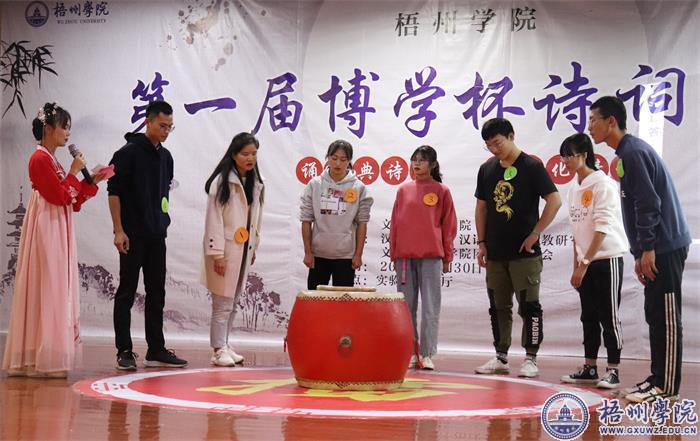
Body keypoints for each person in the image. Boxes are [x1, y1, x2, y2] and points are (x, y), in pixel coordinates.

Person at [589, 96, 691, 402]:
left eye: (593, 120)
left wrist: (648, 248)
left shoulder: (633, 153)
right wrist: (639, 252)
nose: (589, 126)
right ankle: (657, 379)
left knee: (666, 316)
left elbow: (649, 204)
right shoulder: (626, 153)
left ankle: (667, 387)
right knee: (655, 314)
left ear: (611, 122)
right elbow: (639, 205)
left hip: (665, 247)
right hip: (654, 247)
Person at [2, 102, 102, 378]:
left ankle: (48, 355)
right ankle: (40, 358)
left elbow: (71, 200)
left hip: (58, 222)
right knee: (48, 283)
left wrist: (90, 181)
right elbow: (58, 196)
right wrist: (73, 173)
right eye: (64, 127)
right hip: (47, 224)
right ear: (48, 128)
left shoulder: (52, 160)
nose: (68, 133)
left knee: (55, 284)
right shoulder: (39, 159)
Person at [474, 118, 561, 378]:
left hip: (525, 254)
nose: (494, 149)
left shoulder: (531, 166)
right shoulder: (487, 169)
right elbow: (481, 208)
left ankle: (531, 358)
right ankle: (501, 356)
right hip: (495, 252)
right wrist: (481, 243)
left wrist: (536, 233)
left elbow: (554, 201)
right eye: (489, 145)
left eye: (498, 143)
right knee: (498, 306)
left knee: (529, 307)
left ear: (511, 136)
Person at [107, 100, 187, 370]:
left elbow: (163, 194)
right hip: (132, 235)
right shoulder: (127, 153)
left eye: (170, 127)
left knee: (157, 293)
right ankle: (124, 350)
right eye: (162, 126)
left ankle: (156, 348)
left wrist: (161, 222)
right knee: (127, 292)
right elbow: (114, 193)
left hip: (156, 236)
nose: (166, 131)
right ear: (148, 122)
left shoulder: (166, 157)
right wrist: (119, 230)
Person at [558, 133, 628, 389]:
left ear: (584, 155)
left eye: (569, 156)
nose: (565, 161)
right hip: (585, 261)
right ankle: (589, 367)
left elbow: (602, 228)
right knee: (588, 316)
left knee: (609, 315)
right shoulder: (573, 188)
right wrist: (577, 264)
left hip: (606, 258)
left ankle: (613, 370)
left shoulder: (603, 184)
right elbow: (577, 230)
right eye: (563, 157)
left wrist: (586, 262)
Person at [390, 145, 457, 370]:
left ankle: (427, 353)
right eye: (414, 159)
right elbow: (395, 223)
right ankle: (411, 352)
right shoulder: (403, 190)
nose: (417, 164)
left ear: (433, 164)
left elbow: (449, 226)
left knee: (430, 307)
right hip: (404, 259)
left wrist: (447, 256)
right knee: (406, 307)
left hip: (431, 257)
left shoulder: (441, 191)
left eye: (422, 160)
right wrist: (394, 252)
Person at [202, 132, 264, 367]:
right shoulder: (222, 182)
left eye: (254, 154)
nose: (250, 158)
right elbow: (214, 220)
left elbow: (256, 219)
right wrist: (217, 254)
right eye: (245, 154)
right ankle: (218, 349)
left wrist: (254, 246)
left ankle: (225, 344)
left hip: (243, 249)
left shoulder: (255, 182)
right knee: (222, 302)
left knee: (234, 301)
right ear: (234, 154)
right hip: (225, 249)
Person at [299, 140, 373, 289]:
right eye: (334, 158)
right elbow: (306, 219)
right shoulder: (315, 185)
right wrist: (308, 252)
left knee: (343, 301)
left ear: (349, 161)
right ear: (327, 158)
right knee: (316, 300)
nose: (338, 163)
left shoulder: (358, 187)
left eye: (343, 159)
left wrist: (358, 254)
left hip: (346, 256)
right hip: (318, 255)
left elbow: (362, 223)